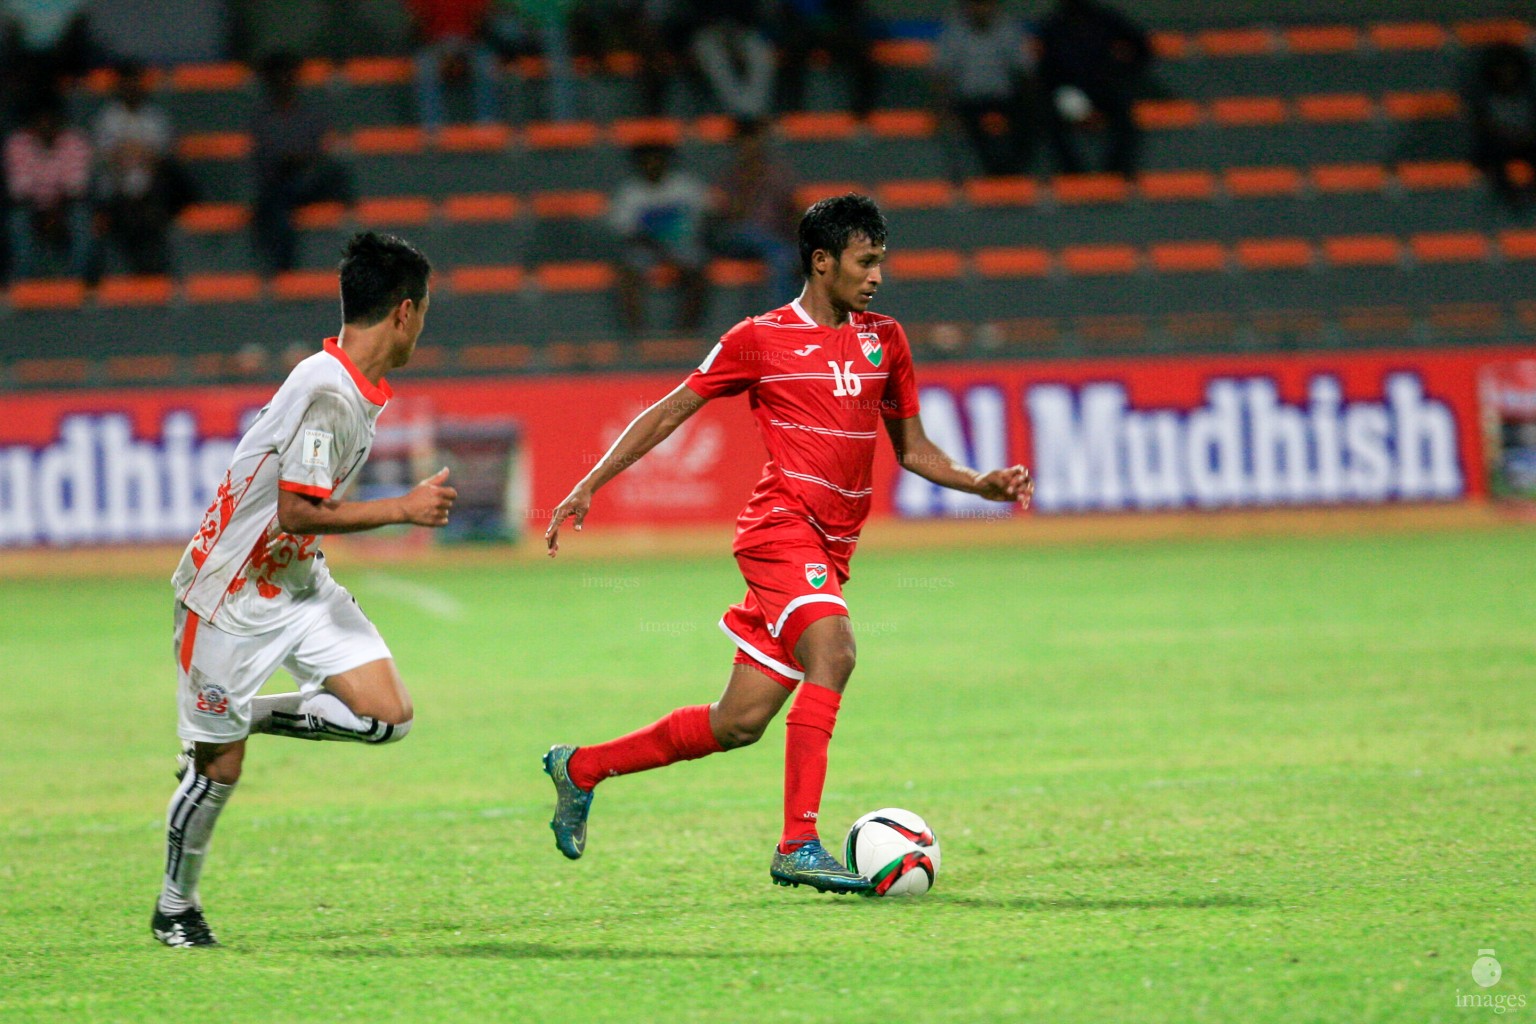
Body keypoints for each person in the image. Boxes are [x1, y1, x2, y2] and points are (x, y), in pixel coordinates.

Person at [542, 194, 1033, 893]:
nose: (877, 277)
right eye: (866, 263)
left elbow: (915, 449)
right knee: (835, 651)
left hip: (831, 548)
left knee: (737, 722)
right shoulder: (758, 339)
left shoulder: (884, 340)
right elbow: (672, 408)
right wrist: (591, 482)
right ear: (822, 261)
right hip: (780, 531)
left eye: (881, 263)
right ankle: (797, 843)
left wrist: (978, 482)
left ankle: (580, 767)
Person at [151, 232, 456, 948]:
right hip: (227, 599)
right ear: (405, 313)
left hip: (295, 583)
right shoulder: (327, 389)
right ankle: (174, 907)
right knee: (217, 769)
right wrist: (402, 510)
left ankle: (246, 715)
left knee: (387, 715)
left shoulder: (347, 383)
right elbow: (296, 509)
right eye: (427, 311)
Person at [250, 54, 354, 276]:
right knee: (275, 207)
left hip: (309, 181)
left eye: (288, 75)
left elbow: (318, 152)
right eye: (277, 77)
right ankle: (282, 273)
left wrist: (299, 159)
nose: (284, 81)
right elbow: (270, 160)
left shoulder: (311, 115)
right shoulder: (261, 119)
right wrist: (292, 159)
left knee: (336, 171)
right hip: (279, 186)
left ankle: (351, 224)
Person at [93, 61, 193, 276]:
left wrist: (131, 153)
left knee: (151, 211)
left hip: (151, 190)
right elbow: (109, 159)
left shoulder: (156, 117)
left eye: (134, 82)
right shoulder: (106, 118)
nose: (131, 87)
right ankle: (137, 274)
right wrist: (137, 153)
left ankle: (155, 273)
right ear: (118, 86)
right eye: (126, 82)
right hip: (117, 192)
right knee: (127, 214)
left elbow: (159, 158)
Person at [1036, 0, 1149, 178]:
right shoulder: (1053, 25)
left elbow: (1142, 46)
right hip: (1069, 91)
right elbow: (1046, 69)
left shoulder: (1106, 19)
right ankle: (1072, 173)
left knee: (1125, 118)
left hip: (1104, 88)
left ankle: (1116, 172)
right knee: (1049, 120)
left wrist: (1124, 71)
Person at [610, 142, 709, 334]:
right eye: (647, 161)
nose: (652, 165)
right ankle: (638, 335)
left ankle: (686, 333)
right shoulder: (629, 192)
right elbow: (627, 233)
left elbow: (704, 220)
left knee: (698, 272)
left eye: (657, 160)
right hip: (645, 250)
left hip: (683, 246)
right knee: (625, 274)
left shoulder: (685, 185)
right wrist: (660, 247)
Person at [932, 0, 1038, 177]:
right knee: (974, 136)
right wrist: (942, 109)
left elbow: (1025, 69)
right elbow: (942, 74)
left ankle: (1012, 174)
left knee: (1031, 121)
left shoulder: (1008, 28)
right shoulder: (953, 31)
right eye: (977, 4)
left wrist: (1032, 101)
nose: (981, 9)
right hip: (968, 102)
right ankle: (992, 178)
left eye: (986, 4)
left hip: (1004, 99)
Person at [708, 118, 799, 304]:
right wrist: (749, 183)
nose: (751, 145)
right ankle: (780, 322)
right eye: (746, 141)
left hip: (773, 236)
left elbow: (791, 210)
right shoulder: (731, 174)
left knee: (795, 255)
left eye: (756, 139)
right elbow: (729, 216)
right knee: (780, 254)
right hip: (735, 237)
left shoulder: (777, 173)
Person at [4, 90, 92, 280]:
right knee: (18, 223)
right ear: (32, 123)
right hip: (30, 208)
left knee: (81, 221)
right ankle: (23, 284)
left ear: (60, 121)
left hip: (66, 206)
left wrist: (55, 213)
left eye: (51, 120)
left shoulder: (75, 141)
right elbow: (19, 190)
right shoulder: (18, 143)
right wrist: (43, 213)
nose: (46, 125)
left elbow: (76, 187)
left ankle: (76, 283)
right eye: (41, 120)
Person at [406, 0, 503, 133]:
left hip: (470, 42)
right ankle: (432, 126)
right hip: (434, 43)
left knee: (486, 64)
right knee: (424, 66)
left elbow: (481, 17)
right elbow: (417, 19)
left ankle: (487, 121)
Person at [776, 0, 879, 121]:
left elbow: (851, 13)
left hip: (838, 32)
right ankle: (789, 109)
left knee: (863, 58)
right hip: (804, 32)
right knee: (789, 56)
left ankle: (862, 113)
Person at [1467, 43, 1536, 206]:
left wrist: (1525, 137)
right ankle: (1508, 196)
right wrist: (1508, 135)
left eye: (1511, 70)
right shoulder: (1485, 100)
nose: (1507, 75)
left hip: (1525, 143)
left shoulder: (1528, 97)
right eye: (1503, 70)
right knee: (1495, 154)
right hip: (1499, 146)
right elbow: (1486, 127)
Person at [691, 0, 776, 122]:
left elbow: (755, 12)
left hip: (744, 30)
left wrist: (740, 29)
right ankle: (738, 112)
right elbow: (690, 13)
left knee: (759, 50)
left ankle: (755, 110)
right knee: (710, 52)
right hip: (707, 32)